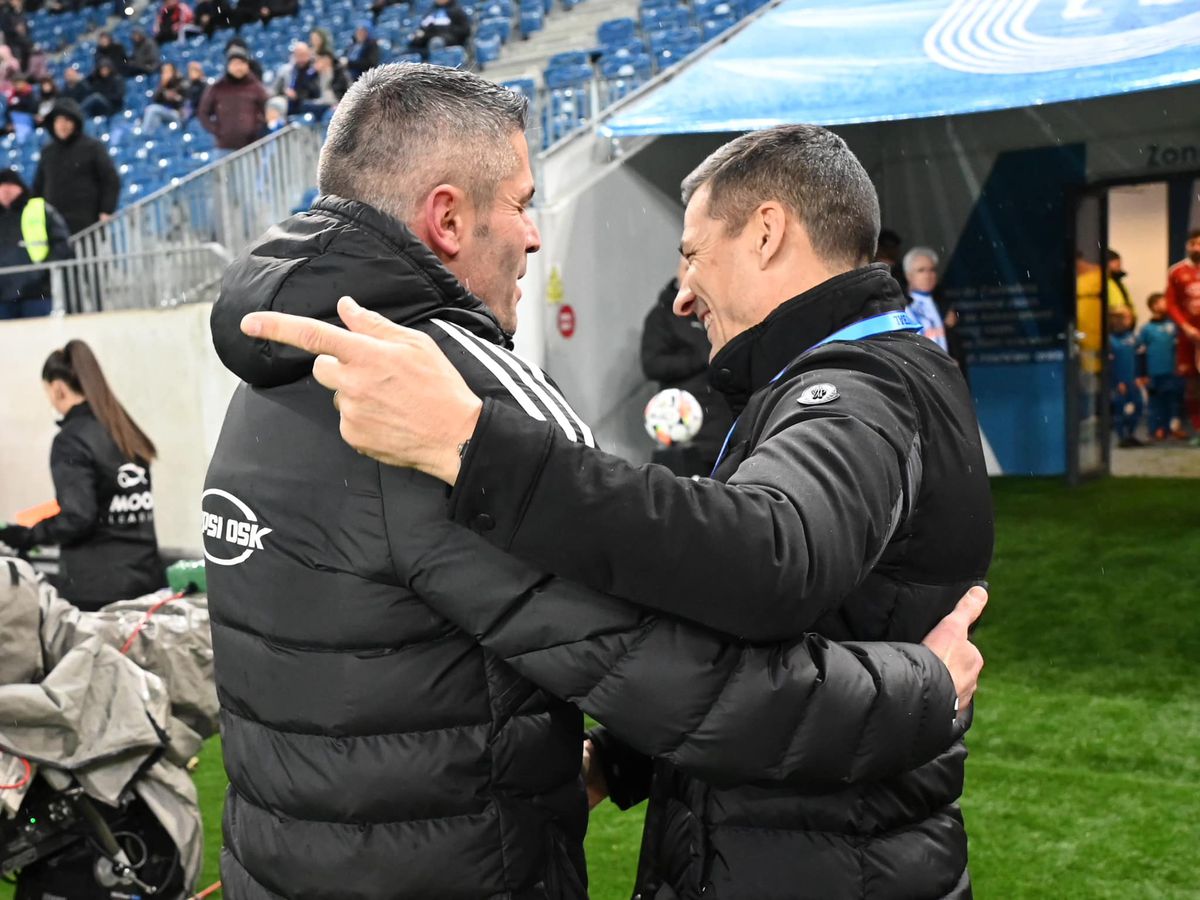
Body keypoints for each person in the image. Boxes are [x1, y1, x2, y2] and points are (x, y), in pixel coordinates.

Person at [210, 65, 988, 900]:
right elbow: (679, 672)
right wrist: (925, 691)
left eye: (691, 254)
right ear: (446, 217)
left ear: (766, 235)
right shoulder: (445, 393)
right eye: (521, 202)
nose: (536, 235)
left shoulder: (273, 373)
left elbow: (755, 566)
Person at [0, 341, 165, 610]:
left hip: (96, 592)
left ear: (58, 389)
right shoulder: (126, 432)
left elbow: (78, 517)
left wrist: (27, 535)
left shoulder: (70, 440)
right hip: (145, 582)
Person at [639, 259, 732, 475]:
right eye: (686, 267)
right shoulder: (662, 316)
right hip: (685, 430)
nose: (691, 273)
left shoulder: (721, 309)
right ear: (678, 272)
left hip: (724, 428)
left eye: (696, 266)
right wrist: (698, 359)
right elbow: (652, 364)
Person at [32, 99, 120, 234]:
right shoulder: (47, 152)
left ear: (75, 122)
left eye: (67, 120)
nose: (62, 125)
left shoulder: (92, 147)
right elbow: (38, 187)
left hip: (88, 224)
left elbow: (110, 180)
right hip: (54, 227)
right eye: (58, 120)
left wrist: (106, 210)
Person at [0, 167, 71, 319]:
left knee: (40, 339)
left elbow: (61, 243)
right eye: (2, 185)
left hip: (37, 293)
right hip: (2, 297)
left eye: (10, 185)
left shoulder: (40, 209)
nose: (6, 190)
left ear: (20, 187)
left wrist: (44, 271)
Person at [1164, 228, 1200, 443]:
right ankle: (1197, 428)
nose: (1197, 248)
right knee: (1192, 384)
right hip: (1189, 338)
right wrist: (1185, 327)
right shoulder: (1177, 271)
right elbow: (1171, 303)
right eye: (1193, 243)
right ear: (1187, 246)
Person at [195, 47, 267, 151]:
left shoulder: (256, 87)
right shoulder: (217, 87)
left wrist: (258, 128)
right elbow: (203, 112)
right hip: (225, 148)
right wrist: (217, 130)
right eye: (235, 64)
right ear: (228, 66)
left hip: (252, 146)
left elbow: (267, 109)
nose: (238, 67)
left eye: (241, 63)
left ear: (247, 66)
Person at [1138, 292, 1186, 442]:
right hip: (1154, 372)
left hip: (1172, 370)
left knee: (1174, 400)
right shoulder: (1146, 329)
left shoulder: (1174, 325)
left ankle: (1175, 427)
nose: (1167, 304)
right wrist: (1142, 374)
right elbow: (1141, 352)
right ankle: (1157, 428)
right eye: (1163, 302)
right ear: (1154, 306)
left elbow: (1181, 347)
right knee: (1156, 401)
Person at [1108, 305, 1143, 448]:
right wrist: (1117, 382)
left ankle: (1131, 434)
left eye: (1128, 317)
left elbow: (1140, 358)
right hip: (1119, 382)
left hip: (1133, 380)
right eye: (1122, 317)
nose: (1126, 321)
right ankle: (1121, 436)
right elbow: (1109, 365)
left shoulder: (1134, 338)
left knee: (1138, 405)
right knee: (1120, 408)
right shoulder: (1110, 340)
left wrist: (1140, 376)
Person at [904, 245, 947, 351]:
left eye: (932, 270)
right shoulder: (899, 307)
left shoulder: (944, 306)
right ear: (908, 275)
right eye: (921, 270)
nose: (928, 275)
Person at [272, 41, 319, 115]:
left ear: (309, 54)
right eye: (298, 55)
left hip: (308, 105)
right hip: (288, 105)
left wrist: (297, 96)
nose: (301, 58)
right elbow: (275, 90)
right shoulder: (287, 70)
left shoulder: (315, 69)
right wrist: (285, 91)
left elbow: (316, 92)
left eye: (304, 55)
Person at [141, 61, 184, 132]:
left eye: (168, 71)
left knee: (152, 109)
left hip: (177, 113)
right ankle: (152, 138)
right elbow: (155, 100)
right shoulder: (162, 86)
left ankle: (145, 134)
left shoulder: (181, 82)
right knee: (155, 116)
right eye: (164, 71)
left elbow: (185, 101)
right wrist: (163, 85)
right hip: (164, 112)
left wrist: (176, 98)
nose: (166, 73)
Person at [304, 50, 347, 116]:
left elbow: (344, 89)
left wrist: (340, 104)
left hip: (335, 102)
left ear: (327, 60)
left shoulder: (338, 73)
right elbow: (309, 90)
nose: (316, 63)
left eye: (319, 60)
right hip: (321, 102)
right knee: (305, 105)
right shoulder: (316, 75)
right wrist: (315, 74)